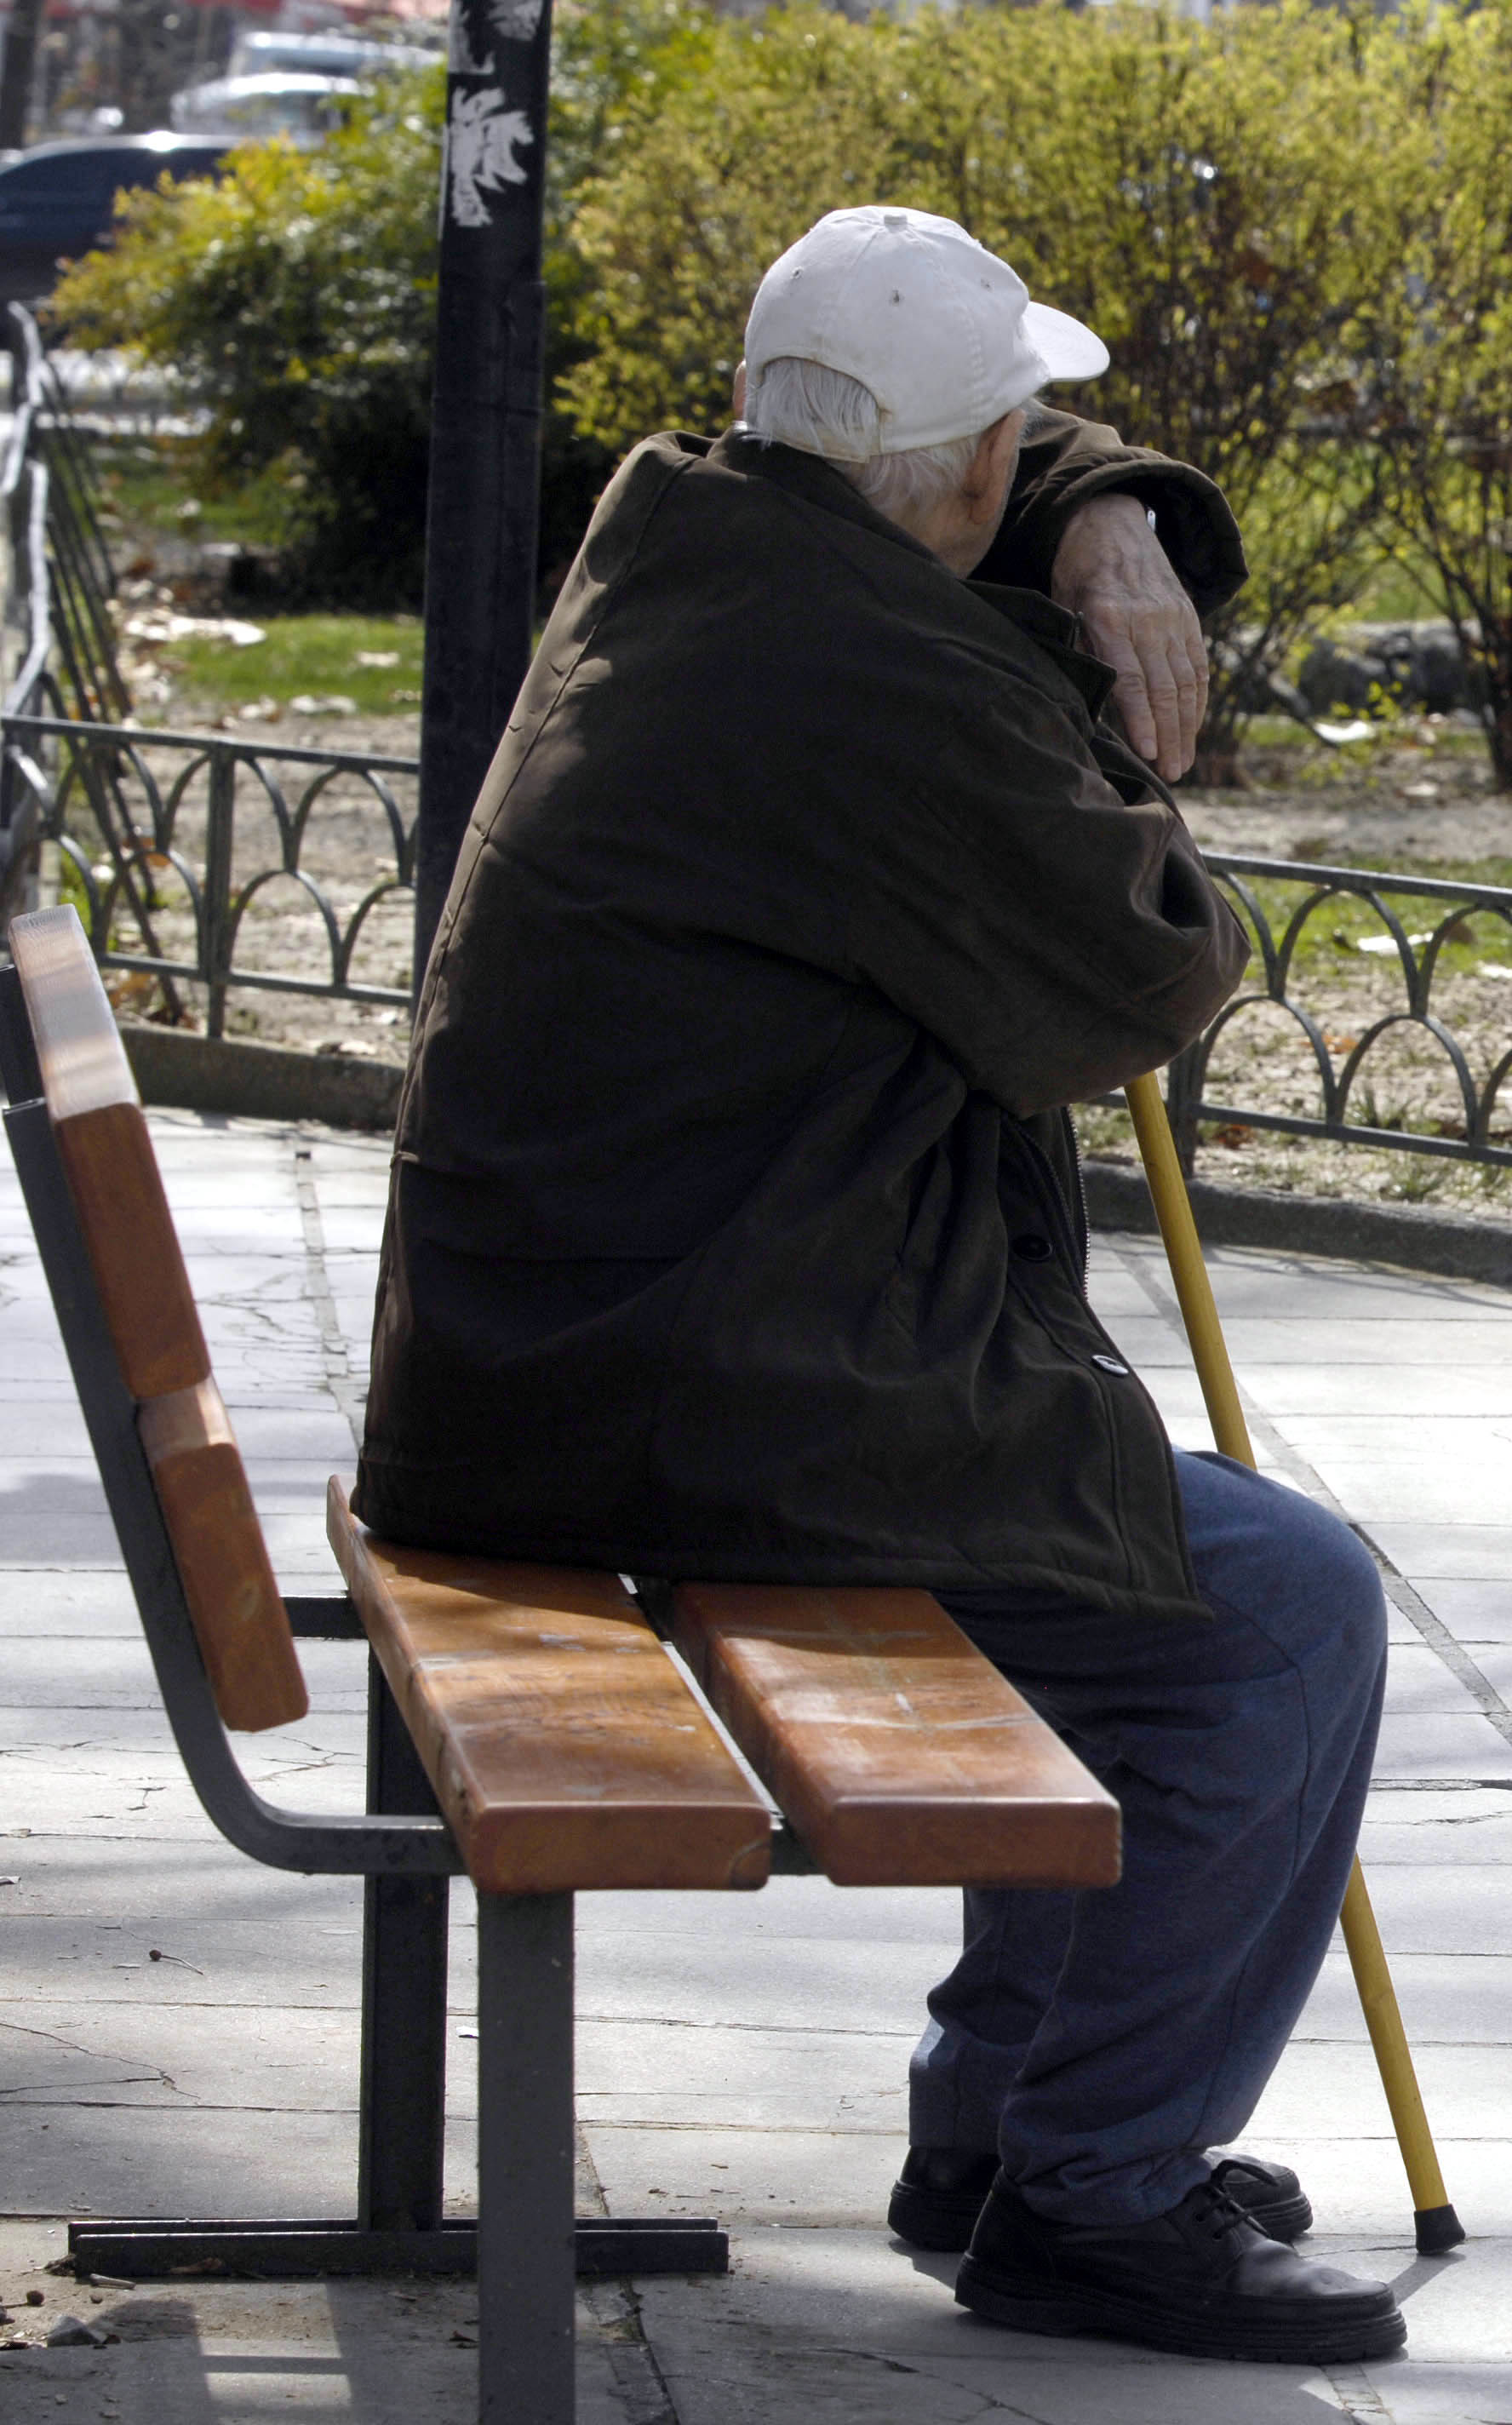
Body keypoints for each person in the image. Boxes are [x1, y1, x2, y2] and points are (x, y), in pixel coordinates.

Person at [354, 206, 1403, 2367]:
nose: (1037, 461)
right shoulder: (865, 682)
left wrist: (1100, 515)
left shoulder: (704, 541)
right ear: (953, 477)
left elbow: (977, 473)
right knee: (1278, 1613)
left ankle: (1004, 2130)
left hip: (589, 1351)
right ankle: (1092, 2190)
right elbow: (1138, 969)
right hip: (678, 1393)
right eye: (1025, 440)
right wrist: (1097, 684)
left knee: (1095, 1543)